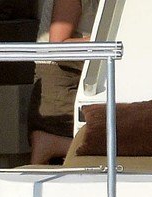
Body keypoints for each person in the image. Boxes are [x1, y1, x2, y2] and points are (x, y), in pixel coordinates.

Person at [28, 0, 99, 164]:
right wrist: (109, 40)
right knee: (108, 140)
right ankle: (51, 144)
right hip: (61, 83)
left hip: (78, 79)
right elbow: (58, 45)